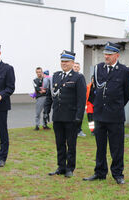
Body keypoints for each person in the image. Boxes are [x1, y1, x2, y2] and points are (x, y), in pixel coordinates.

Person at [83, 42, 129, 185]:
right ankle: (100, 172)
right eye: (105, 54)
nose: (106, 56)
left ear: (117, 55)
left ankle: (118, 173)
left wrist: (116, 106)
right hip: (100, 114)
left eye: (109, 54)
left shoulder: (124, 71)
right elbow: (95, 89)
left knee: (116, 147)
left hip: (115, 115)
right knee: (100, 146)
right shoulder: (98, 68)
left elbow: (127, 93)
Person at [44, 50, 86, 178]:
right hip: (58, 116)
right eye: (62, 61)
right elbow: (50, 95)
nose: (64, 64)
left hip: (71, 117)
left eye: (66, 61)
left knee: (71, 144)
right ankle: (61, 166)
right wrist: (46, 110)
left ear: (73, 62)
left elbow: (81, 98)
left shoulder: (78, 77)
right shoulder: (56, 76)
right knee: (59, 143)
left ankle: (70, 168)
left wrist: (79, 116)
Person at [73, 62, 86, 137]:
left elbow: (83, 90)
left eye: (77, 67)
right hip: (71, 101)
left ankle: (79, 130)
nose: (76, 68)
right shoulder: (70, 76)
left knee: (79, 116)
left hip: (79, 100)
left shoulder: (80, 77)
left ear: (79, 68)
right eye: (75, 66)